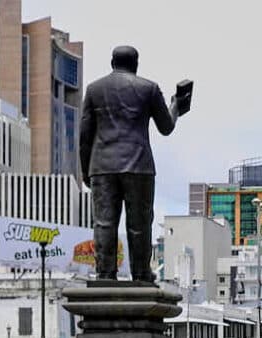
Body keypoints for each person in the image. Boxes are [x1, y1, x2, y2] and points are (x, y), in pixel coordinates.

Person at [79, 45, 186, 282]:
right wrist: (176, 105)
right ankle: (141, 273)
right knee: (139, 224)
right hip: (138, 164)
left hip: (102, 166)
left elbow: (85, 136)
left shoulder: (94, 90)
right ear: (136, 64)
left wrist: (86, 170)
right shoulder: (148, 88)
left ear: (112, 63)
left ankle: (105, 274)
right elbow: (166, 127)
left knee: (105, 223)